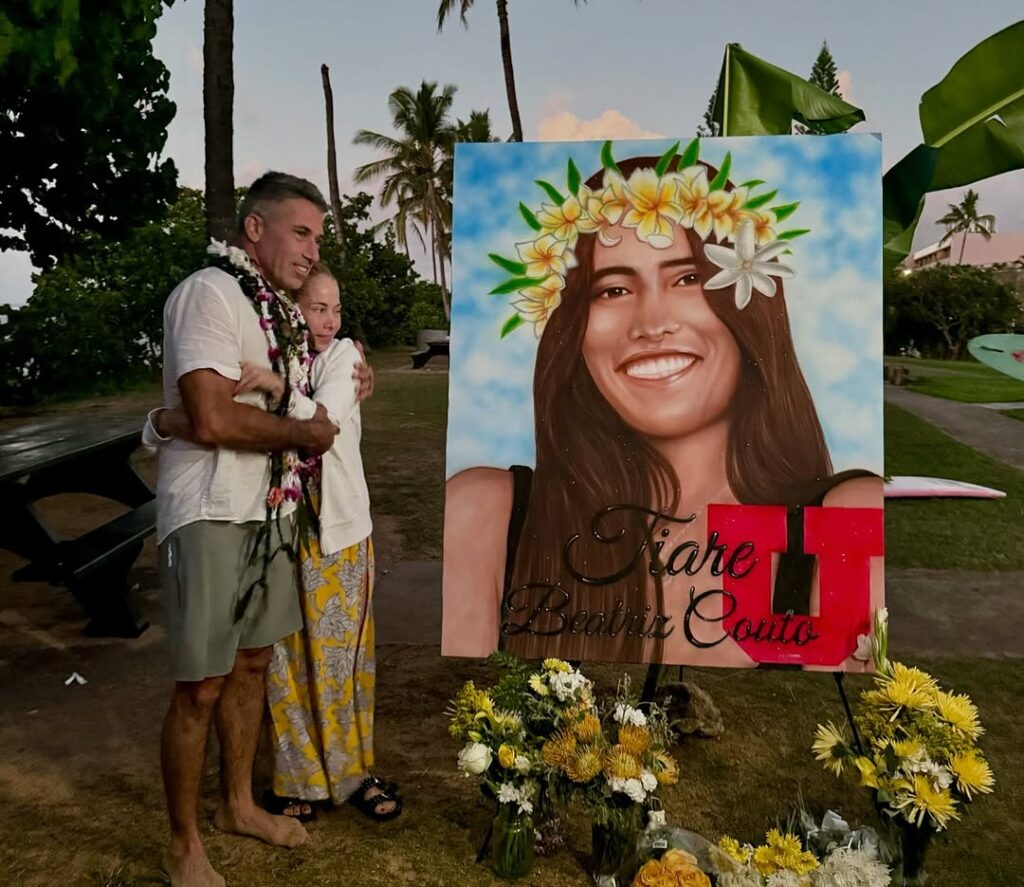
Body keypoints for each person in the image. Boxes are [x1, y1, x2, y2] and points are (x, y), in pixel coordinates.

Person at [442, 148, 883, 668]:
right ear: (573, 329)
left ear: (752, 301)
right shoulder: (484, 517)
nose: (651, 323)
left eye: (689, 278)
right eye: (612, 289)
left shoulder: (848, 518)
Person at [149, 171, 371, 887]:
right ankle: (182, 842)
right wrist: (301, 431)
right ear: (254, 229)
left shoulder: (275, 309)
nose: (311, 250)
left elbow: (307, 388)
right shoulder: (209, 293)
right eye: (300, 232)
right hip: (210, 510)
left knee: (251, 667)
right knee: (202, 682)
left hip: (268, 511)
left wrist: (342, 388)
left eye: (318, 238)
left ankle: (237, 803)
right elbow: (212, 415)